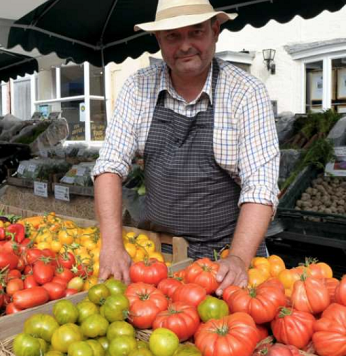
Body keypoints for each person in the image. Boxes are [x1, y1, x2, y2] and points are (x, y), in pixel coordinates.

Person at [92, 0, 280, 295]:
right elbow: (109, 167)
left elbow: (260, 187)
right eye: (173, 36)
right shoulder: (137, 88)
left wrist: (240, 258)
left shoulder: (246, 92)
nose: (185, 45)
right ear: (158, 40)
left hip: (225, 261)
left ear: (215, 30)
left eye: (196, 32)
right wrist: (112, 244)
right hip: (158, 256)